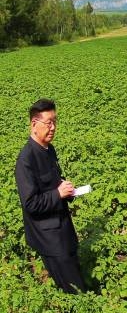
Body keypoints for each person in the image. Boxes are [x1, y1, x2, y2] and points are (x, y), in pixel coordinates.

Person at [15, 98, 85, 293]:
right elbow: (31, 204)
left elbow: (54, 182)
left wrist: (66, 189)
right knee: (73, 288)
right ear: (34, 124)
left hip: (63, 228)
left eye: (55, 121)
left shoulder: (49, 149)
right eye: (48, 122)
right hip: (49, 237)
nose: (53, 127)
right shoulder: (26, 160)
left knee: (75, 273)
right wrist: (58, 193)